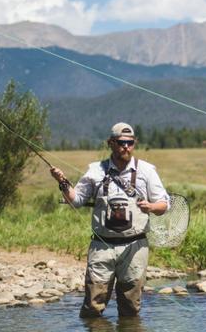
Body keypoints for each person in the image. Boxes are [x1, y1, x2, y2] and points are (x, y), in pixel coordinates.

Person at [50, 122, 169, 317]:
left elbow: (164, 205)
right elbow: (77, 200)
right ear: (110, 143)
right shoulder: (95, 170)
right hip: (101, 247)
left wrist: (151, 206)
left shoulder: (147, 170)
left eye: (130, 143)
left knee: (131, 309)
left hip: (135, 247)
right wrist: (62, 181)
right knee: (92, 308)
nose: (126, 147)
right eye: (121, 142)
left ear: (134, 143)